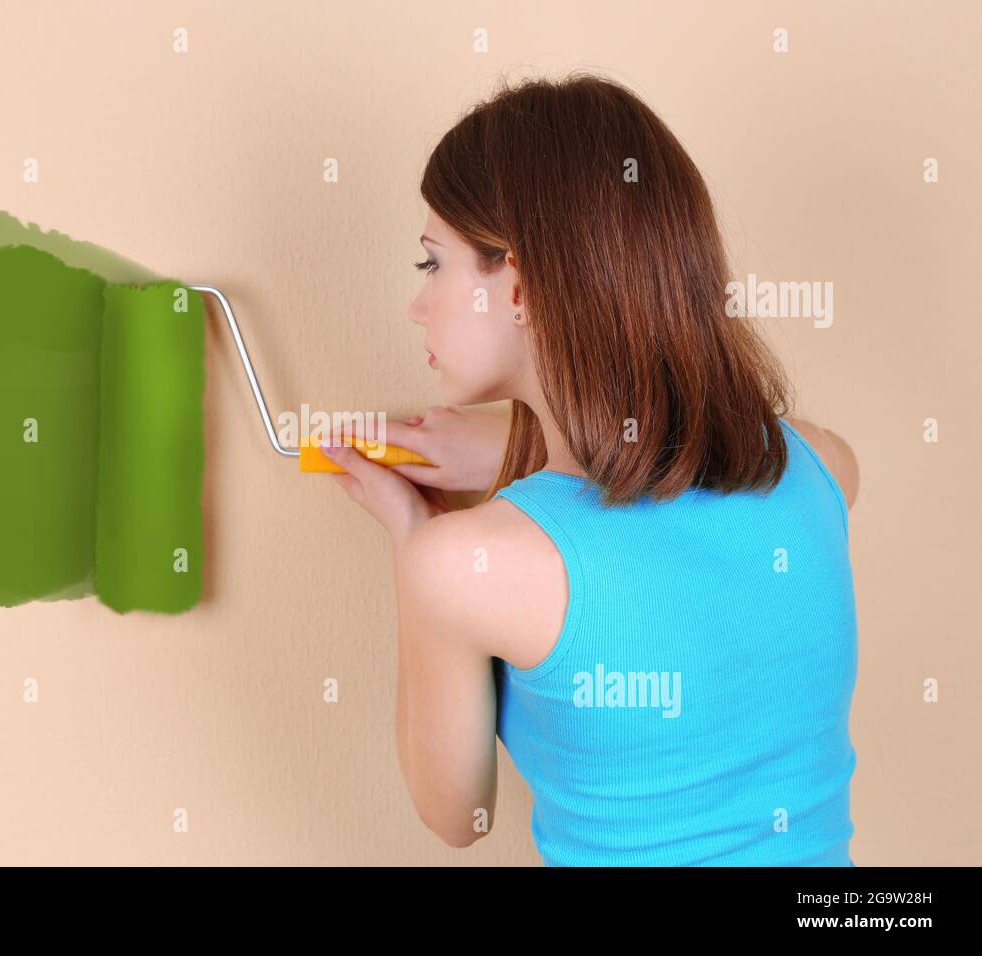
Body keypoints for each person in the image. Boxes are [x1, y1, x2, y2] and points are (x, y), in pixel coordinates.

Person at [320, 72, 860, 866]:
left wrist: (413, 535)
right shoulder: (823, 468)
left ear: (523, 290)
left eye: (432, 264)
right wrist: (512, 447)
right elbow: (667, 482)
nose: (418, 303)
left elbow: (454, 816)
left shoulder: (463, 565)